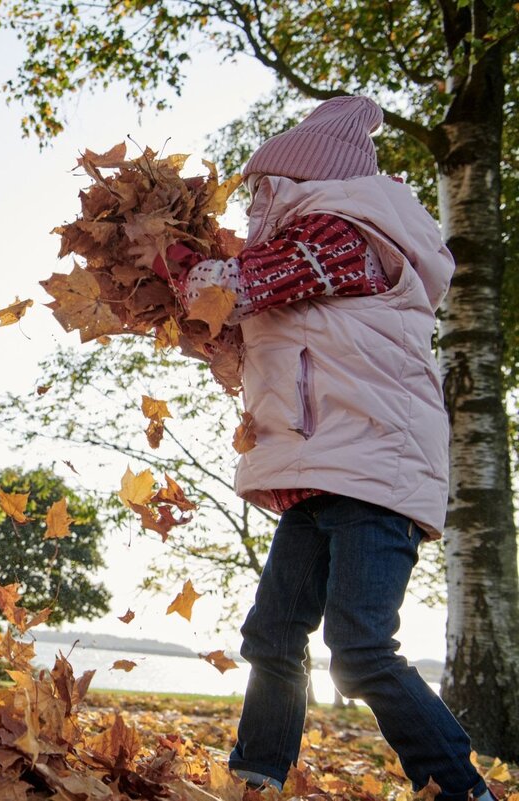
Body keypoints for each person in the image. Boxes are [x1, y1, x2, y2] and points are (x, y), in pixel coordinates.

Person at [175, 96, 496, 800]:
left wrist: (197, 272)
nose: (256, 205)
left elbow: (252, 281)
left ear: (303, 183)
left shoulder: (350, 233)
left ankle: (460, 786)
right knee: (273, 633)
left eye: (265, 190)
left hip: (376, 475)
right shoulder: (308, 247)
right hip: (324, 476)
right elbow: (248, 328)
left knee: (359, 645)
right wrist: (202, 318)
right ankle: (257, 774)